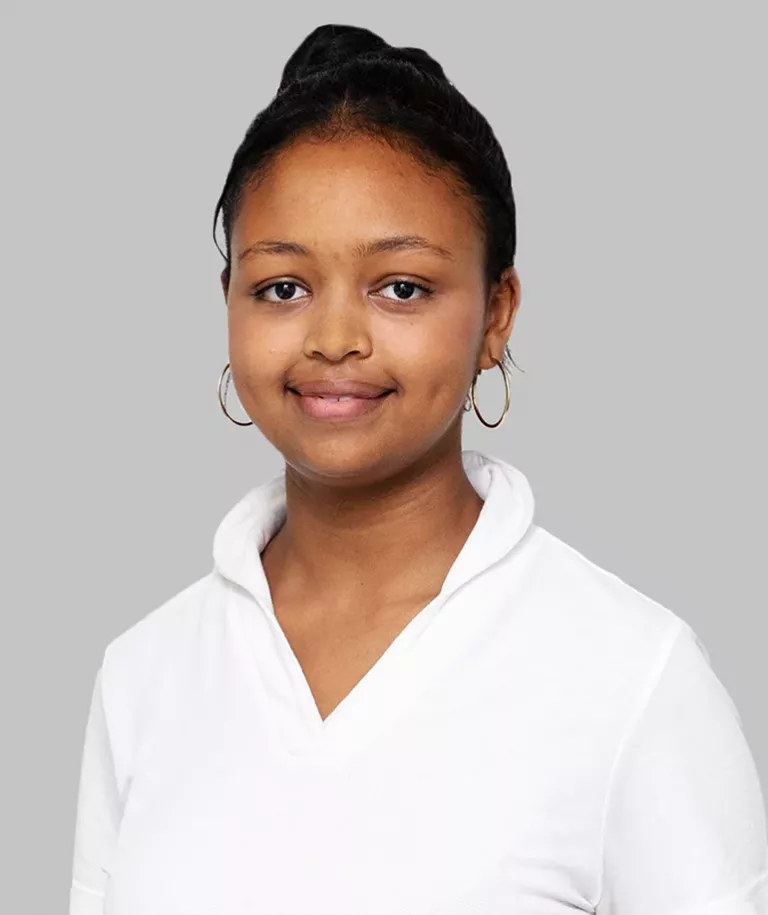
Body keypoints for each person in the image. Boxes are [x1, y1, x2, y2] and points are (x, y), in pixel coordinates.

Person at [69, 22, 768, 915]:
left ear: (496, 314)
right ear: (230, 303)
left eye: (401, 287)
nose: (334, 339)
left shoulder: (634, 678)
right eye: (282, 287)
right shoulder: (145, 676)